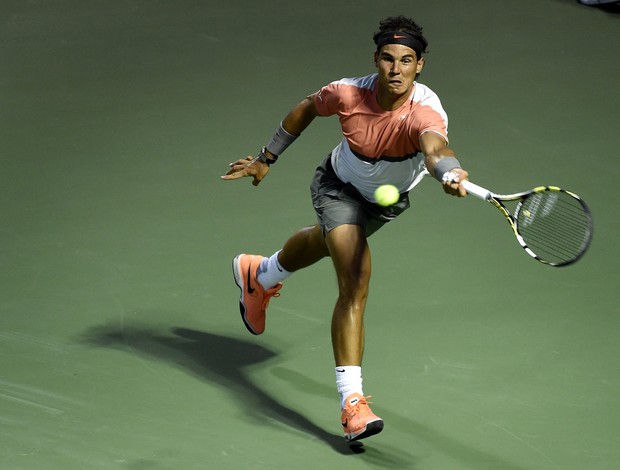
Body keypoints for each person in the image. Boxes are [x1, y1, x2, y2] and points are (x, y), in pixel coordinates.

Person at [221, 15, 469, 442]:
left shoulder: (424, 109)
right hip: (337, 187)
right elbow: (304, 109)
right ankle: (352, 404)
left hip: (382, 202)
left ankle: (259, 274)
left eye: (406, 61)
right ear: (376, 59)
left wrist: (450, 171)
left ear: (420, 65)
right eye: (388, 60)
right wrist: (267, 157)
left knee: (325, 242)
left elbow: (435, 147)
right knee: (354, 277)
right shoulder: (347, 92)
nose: (396, 70)